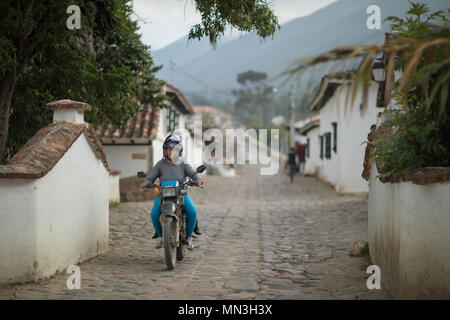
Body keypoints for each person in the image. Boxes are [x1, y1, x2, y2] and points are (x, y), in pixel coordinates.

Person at [140, 134, 203, 250]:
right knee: (154, 214)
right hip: (163, 194)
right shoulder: (160, 164)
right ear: (165, 150)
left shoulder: (183, 163)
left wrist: (197, 180)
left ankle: (189, 237)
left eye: (174, 150)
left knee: (192, 211)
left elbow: (193, 173)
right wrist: (146, 182)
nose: (171, 152)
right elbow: (151, 177)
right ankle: (161, 237)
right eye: (169, 149)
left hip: (182, 193)